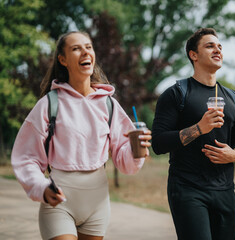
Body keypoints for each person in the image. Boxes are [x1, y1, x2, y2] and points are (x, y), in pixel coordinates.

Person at [11, 31, 152, 240]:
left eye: (88, 47)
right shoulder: (49, 104)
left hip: (98, 204)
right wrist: (41, 186)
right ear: (63, 59)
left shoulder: (108, 104)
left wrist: (136, 149)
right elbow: (26, 157)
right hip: (59, 201)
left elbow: (124, 161)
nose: (85, 52)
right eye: (76, 48)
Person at [151, 28, 235, 240]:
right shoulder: (176, 93)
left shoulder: (232, 97)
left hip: (225, 191)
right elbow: (158, 143)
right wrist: (199, 128)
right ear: (193, 55)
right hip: (188, 189)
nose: (217, 50)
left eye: (220, 46)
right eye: (210, 45)